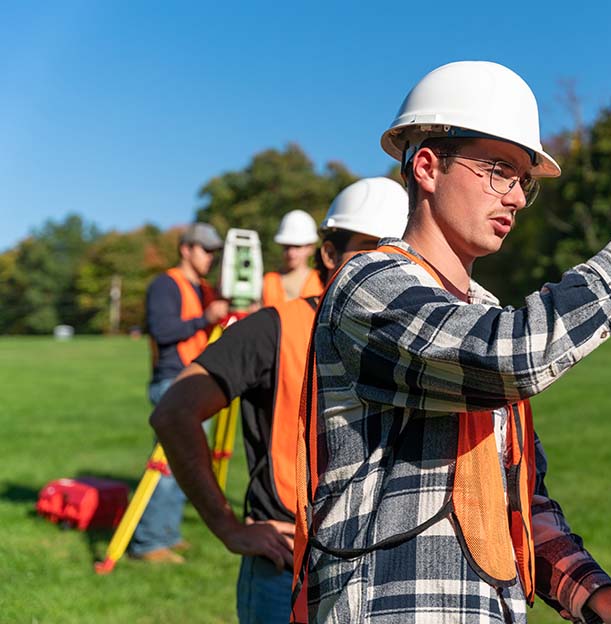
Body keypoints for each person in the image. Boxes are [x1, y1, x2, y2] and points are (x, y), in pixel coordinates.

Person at [293, 60, 611, 624]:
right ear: (427, 166)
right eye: (499, 170)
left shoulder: (482, 312)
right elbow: (511, 356)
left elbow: (517, 499)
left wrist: (593, 595)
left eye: (523, 180)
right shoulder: (370, 285)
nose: (519, 197)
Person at [150, 178, 409, 623]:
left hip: (388, 574)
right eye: (366, 248)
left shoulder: (416, 337)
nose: (381, 267)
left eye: (396, 252)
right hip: (288, 570)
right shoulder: (276, 327)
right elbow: (174, 412)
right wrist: (227, 527)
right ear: (328, 254)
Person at [130, 222, 230, 562]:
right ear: (186, 249)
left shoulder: (202, 287)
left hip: (192, 382)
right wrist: (204, 318)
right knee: (171, 466)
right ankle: (148, 543)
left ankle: (166, 533)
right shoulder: (165, 284)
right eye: (205, 250)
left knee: (185, 464)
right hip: (172, 381)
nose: (210, 258)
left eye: (214, 253)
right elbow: (162, 329)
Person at [262, 210, 323, 307]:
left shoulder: (321, 281)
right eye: (287, 247)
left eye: (297, 247)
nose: (291, 253)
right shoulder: (267, 282)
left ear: (311, 247)